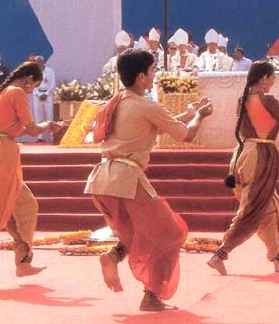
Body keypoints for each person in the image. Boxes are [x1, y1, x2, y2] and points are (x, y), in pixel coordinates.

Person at [84, 49, 213, 311]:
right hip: (126, 180)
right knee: (172, 234)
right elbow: (184, 136)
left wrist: (187, 115)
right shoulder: (146, 105)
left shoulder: (117, 101)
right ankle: (151, 295)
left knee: (139, 234)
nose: (155, 76)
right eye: (153, 71)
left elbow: (144, 129)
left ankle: (116, 257)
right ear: (141, 76)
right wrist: (199, 117)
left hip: (102, 179)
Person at [0, 62, 63, 287]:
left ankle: (23, 261)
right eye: (33, 86)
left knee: (24, 205)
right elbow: (32, 129)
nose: (32, 91)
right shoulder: (17, 92)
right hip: (2, 154)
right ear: (28, 79)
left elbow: (7, 126)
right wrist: (48, 125)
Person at [207, 60, 279, 276]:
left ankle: (277, 257)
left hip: (243, 153)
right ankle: (220, 254)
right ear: (264, 78)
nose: (273, 82)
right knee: (252, 210)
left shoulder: (243, 99)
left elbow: (260, 117)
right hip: (259, 157)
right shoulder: (270, 100)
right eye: (272, 78)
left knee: (271, 206)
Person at [33, 56, 57, 142]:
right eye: (36, 62)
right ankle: (40, 137)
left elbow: (52, 84)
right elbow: (31, 85)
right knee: (38, 116)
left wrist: (46, 94)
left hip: (48, 94)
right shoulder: (33, 72)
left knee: (49, 115)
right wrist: (39, 94)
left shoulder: (50, 71)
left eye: (39, 62)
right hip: (37, 95)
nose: (38, 64)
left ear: (43, 62)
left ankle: (52, 136)